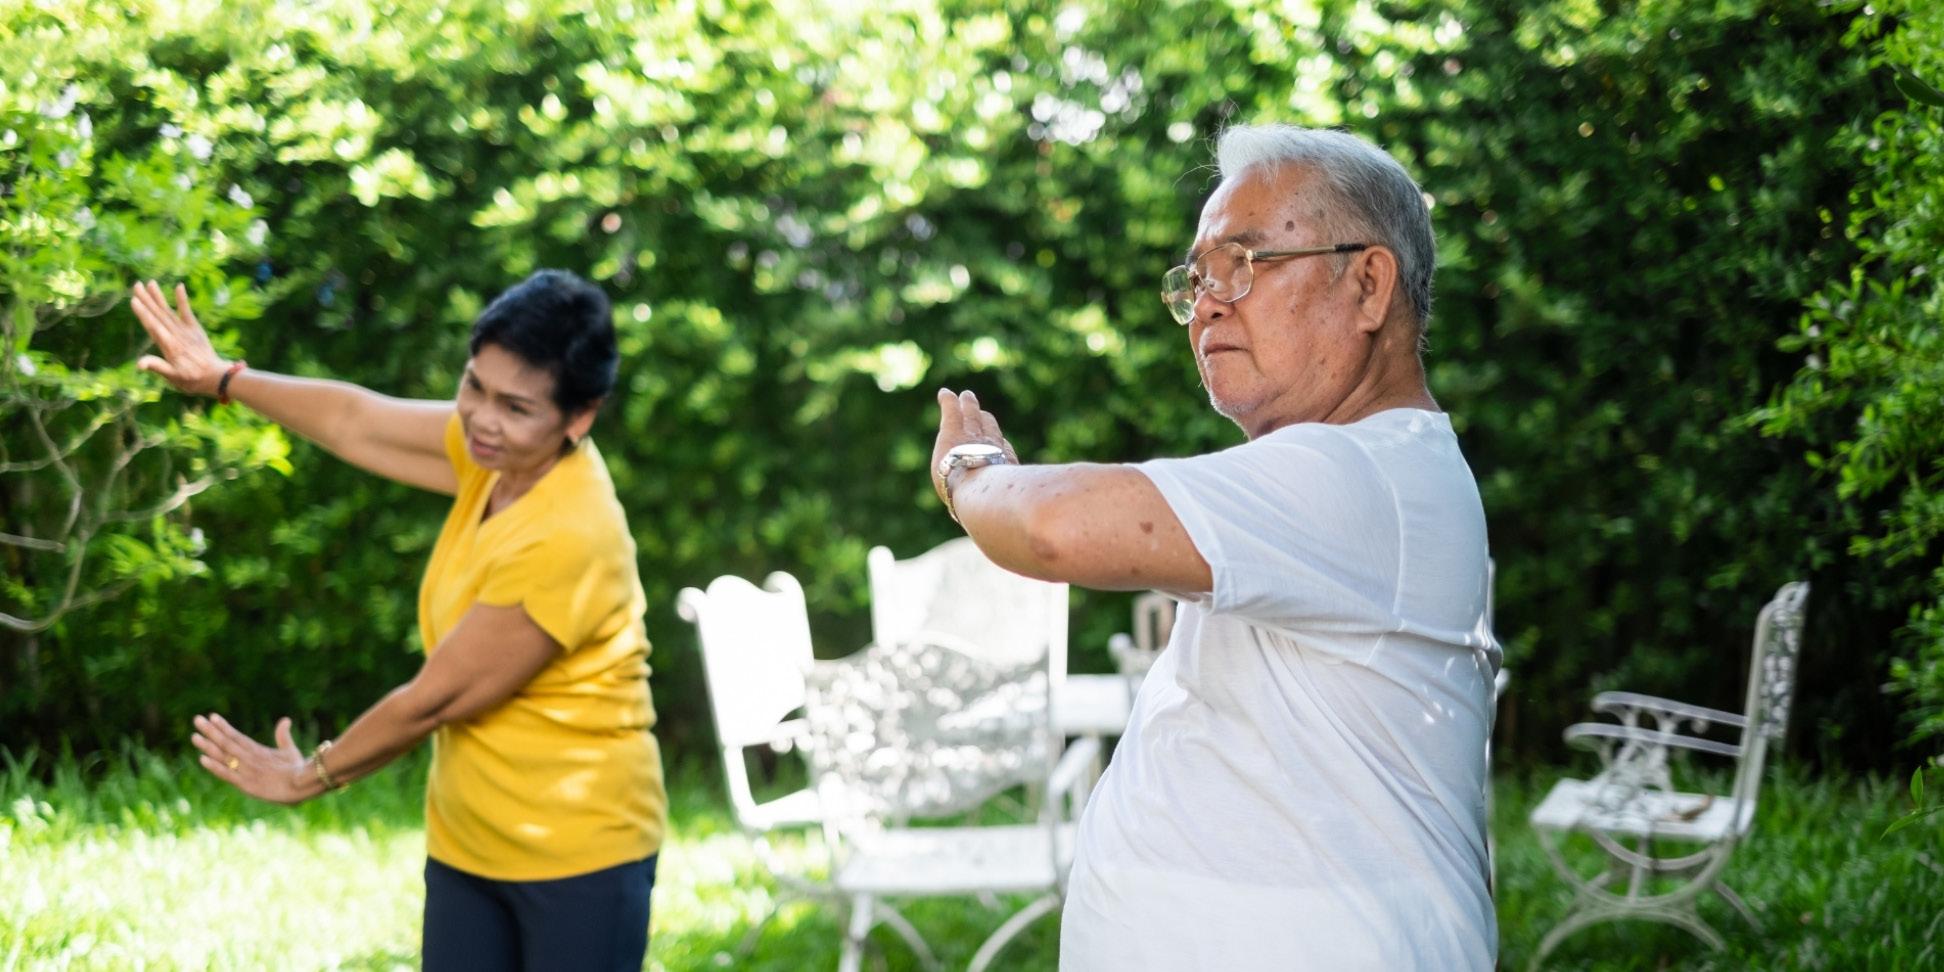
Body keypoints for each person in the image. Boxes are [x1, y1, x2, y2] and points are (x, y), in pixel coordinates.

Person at [929, 125, 1499, 969]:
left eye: (1244, 262)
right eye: (1196, 278)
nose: (1207, 303)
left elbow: (1052, 528)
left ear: (1370, 285)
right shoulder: (1361, 468)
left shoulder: (1359, 471)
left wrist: (968, 469)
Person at [130, 270, 666, 972]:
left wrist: (306, 777)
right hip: (469, 842)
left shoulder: (569, 532)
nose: (480, 417)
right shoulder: (495, 461)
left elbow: (432, 700)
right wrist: (225, 379)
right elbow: (358, 421)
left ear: (580, 417)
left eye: (515, 406)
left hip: (579, 854)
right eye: (474, 385)